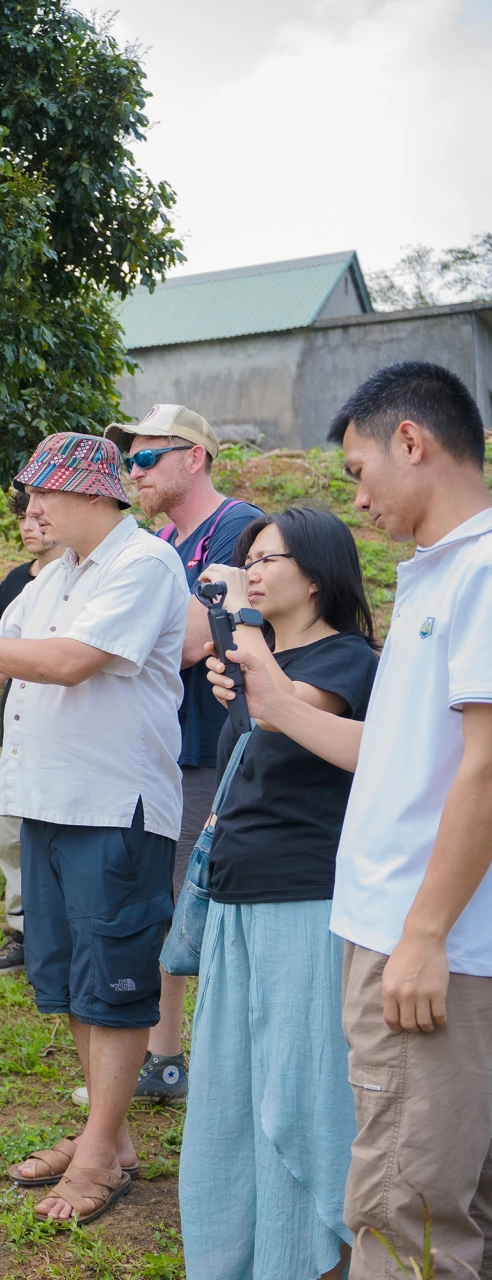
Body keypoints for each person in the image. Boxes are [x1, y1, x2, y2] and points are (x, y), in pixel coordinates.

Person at [208, 362, 492, 1279]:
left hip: (424, 941)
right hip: (390, 928)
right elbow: (402, 758)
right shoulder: (438, 575)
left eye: (359, 470)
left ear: (411, 442)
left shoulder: (481, 572)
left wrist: (424, 932)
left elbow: (486, 770)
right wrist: (277, 704)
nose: (356, 497)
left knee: (406, 1212)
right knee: (417, 1188)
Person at [0, 432, 187, 1225]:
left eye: (40, 493)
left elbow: (67, 662)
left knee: (116, 983)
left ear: (90, 492)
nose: (32, 508)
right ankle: (107, 1140)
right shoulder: (52, 577)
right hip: (46, 801)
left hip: (110, 805)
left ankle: (98, 1160)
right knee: (70, 983)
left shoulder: (144, 564)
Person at [180, 508, 378, 1280]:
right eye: (246, 559)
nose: (252, 572)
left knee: (299, 1096)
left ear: (319, 573)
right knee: (231, 1098)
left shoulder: (348, 660)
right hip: (236, 895)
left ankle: (314, 1258)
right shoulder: (257, 664)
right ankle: (239, 1259)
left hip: (304, 899)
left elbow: (294, 713)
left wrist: (246, 633)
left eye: (269, 559)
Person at [106, 404, 264, 1100]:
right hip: (163, 743)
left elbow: (192, 638)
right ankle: (164, 1057)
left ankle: (234, 1061)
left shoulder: (236, 527)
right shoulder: (163, 542)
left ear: (193, 456)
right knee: (162, 900)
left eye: (145, 459)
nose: (132, 472)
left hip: (217, 741)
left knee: (209, 900)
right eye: (128, 461)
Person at [0, 489, 64, 975]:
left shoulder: (94, 578)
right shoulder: (17, 582)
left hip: (67, 734)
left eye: (38, 517)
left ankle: (57, 934)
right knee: (10, 838)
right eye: (23, 519)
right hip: (19, 731)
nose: (29, 526)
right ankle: (24, 934)